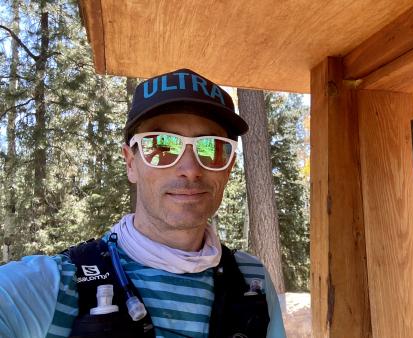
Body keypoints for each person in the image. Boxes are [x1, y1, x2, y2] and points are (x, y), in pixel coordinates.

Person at [0, 69, 287, 338]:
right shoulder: (62, 284)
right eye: (161, 146)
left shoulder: (253, 282)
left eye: (210, 148)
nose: (190, 168)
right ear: (130, 163)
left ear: (229, 166)